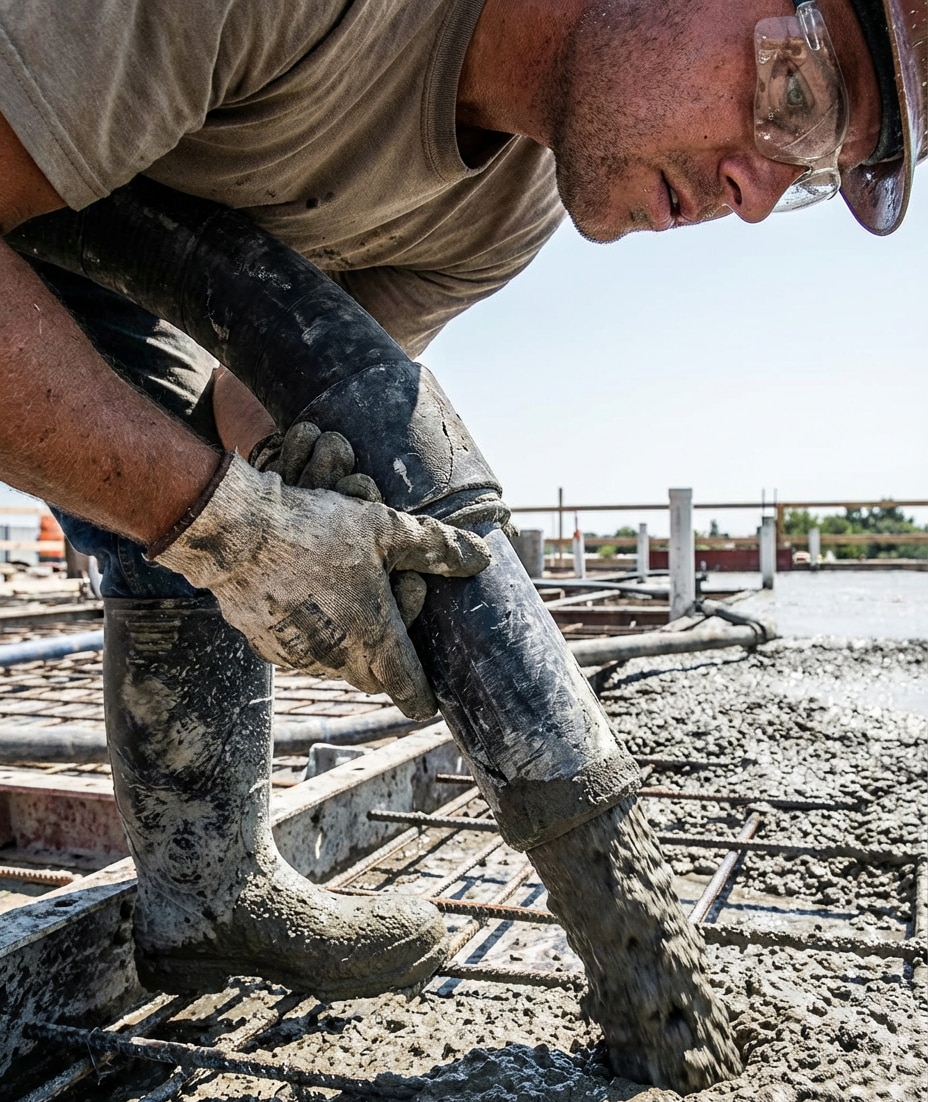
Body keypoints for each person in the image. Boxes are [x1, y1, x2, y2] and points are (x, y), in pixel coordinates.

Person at [0, 0, 924, 1000]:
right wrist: (236, 530)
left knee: (178, 461)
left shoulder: (500, 220)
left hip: (107, 236)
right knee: (196, 506)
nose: (754, 195)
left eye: (813, 175)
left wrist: (290, 492)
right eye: (793, 93)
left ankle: (209, 895)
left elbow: (243, 401)